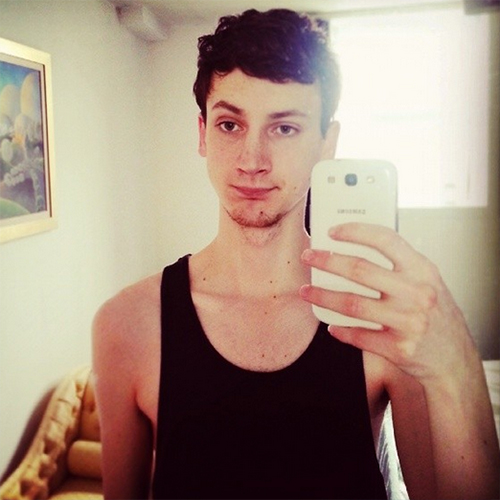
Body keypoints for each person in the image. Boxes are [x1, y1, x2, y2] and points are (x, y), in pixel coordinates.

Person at [92, 8, 500, 500]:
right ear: (202, 133)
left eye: (284, 128)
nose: (252, 161)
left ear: (327, 143)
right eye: (229, 125)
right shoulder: (126, 325)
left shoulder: (375, 317)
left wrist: (456, 358)